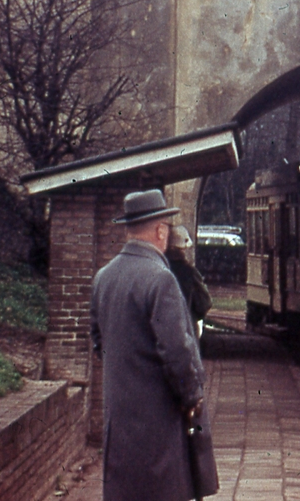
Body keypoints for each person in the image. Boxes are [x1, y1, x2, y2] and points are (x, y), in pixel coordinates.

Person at [90, 189, 217, 501]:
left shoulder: (103, 278)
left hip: (119, 424)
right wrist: (192, 397)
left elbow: (97, 341)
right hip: (159, 426)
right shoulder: (161, 279)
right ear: (161, 231)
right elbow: (177, 352)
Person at [166, 225, 212, 339]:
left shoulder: (156, 268)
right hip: (185, 333)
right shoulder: (190, 273)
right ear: (182, 249)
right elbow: (204, 304)